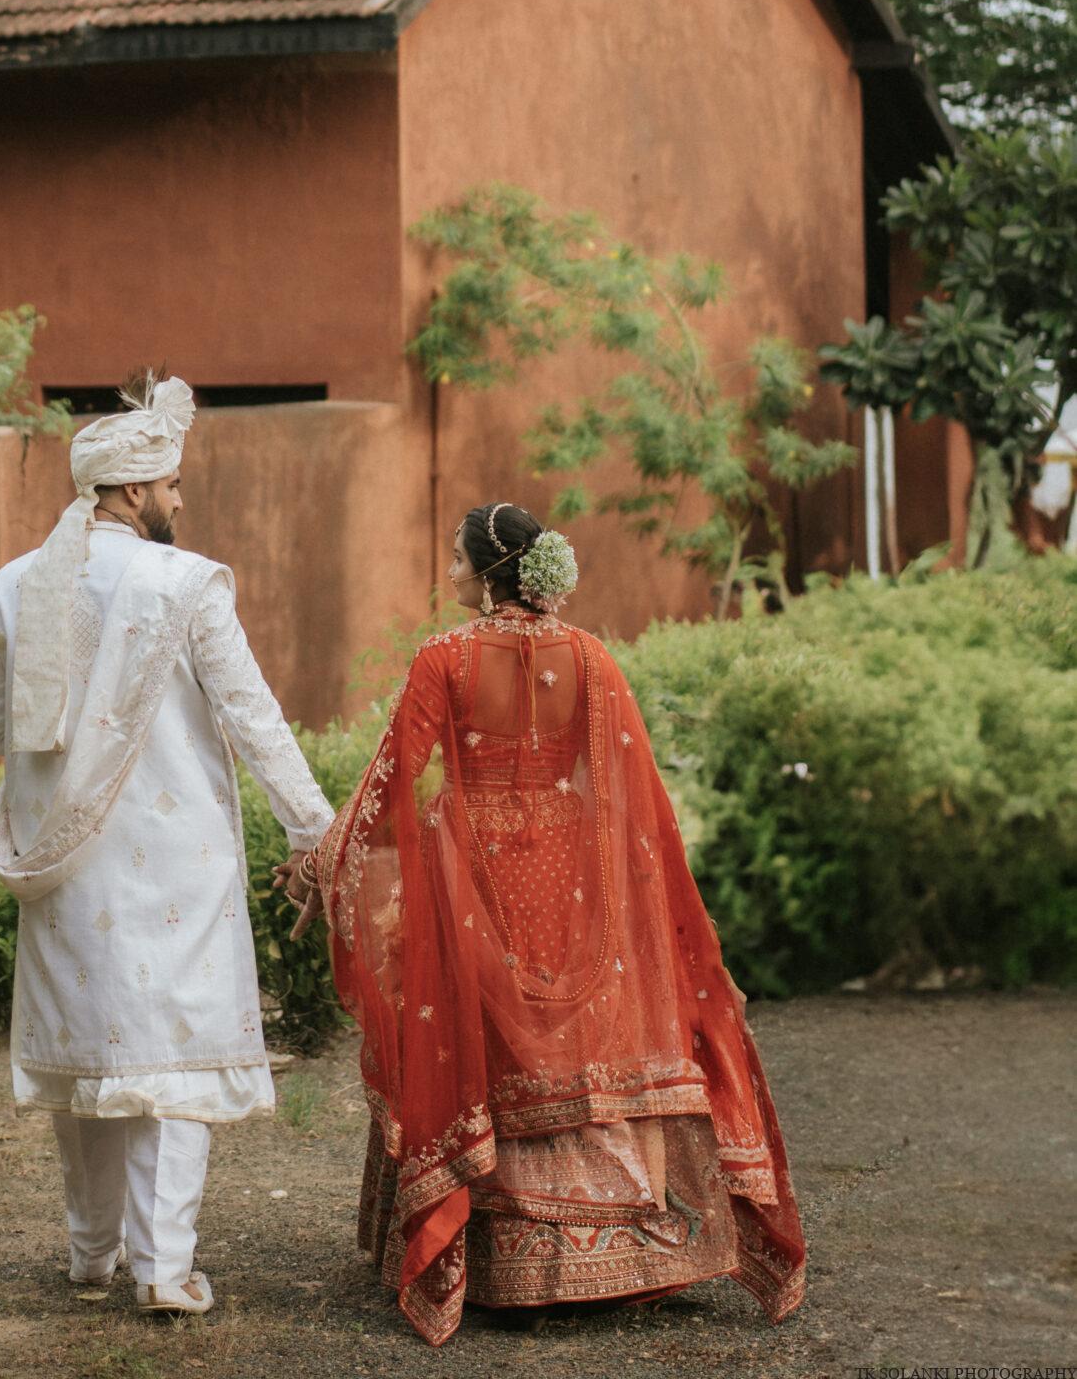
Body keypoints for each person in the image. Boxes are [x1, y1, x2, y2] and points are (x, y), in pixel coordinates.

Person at [288, 500, 806, 1347]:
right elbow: (630, 792)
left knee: (487, 1043)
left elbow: (391, 777)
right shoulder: (591, 658)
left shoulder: (444, 659)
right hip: (573, 867)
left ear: (490, 573)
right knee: (580, 1041)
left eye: (457, 561)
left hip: (476, 867)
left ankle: (498, 1259)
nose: (448, 574)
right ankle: (625, 1250)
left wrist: (324, 862)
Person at [0, 368, 334, 1316]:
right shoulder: (184, 583)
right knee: (169, 1064)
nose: (179, 500)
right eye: (170, 485)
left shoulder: (9, 586)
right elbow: (252, 716)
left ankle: (92, 1259)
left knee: (91, 1059)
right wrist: (317, 831)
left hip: (61, 865)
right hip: (176, 863)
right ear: (131, 491)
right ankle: (163, 1272)